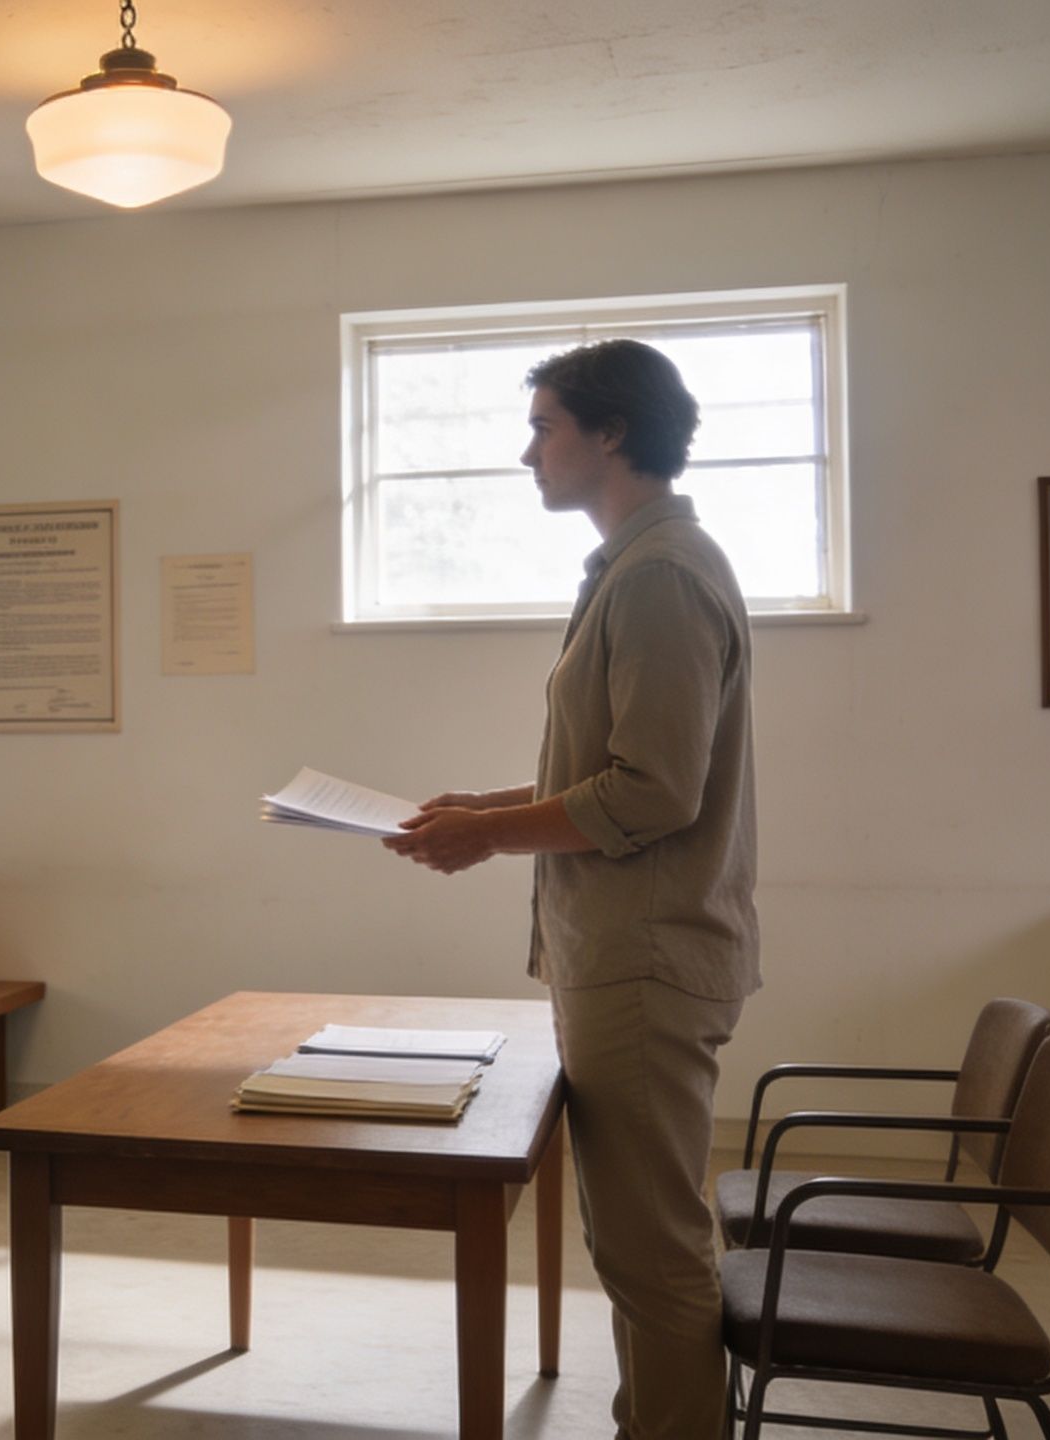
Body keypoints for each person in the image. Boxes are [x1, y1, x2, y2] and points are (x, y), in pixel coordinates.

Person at [382, 339, 757, 1440]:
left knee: (649, 1252)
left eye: (544, 426)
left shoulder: (659, 576)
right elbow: (613, 767)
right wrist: (486, 805)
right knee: (637, 1244)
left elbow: (653, 792)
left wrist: (490, 835)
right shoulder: (634, 568)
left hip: (643, 959)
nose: (525, 451)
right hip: (627, 951)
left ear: (611, 433)